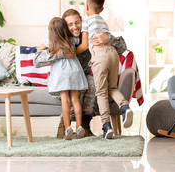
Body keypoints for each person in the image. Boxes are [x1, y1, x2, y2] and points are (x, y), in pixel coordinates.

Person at [34, 9, 127, 138]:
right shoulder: (61, 39)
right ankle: (66, 125)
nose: (75, 27)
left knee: (92, 83)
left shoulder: (92, 35)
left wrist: (108, 38)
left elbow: (122, 47)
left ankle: (83, 124)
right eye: (70, 24)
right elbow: (37, 60)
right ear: (64, 26)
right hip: (64, 77)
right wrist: (62, 53)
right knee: (77, 88)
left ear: (82, 22)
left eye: (77, 22)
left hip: (84, 76)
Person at [76, 0, 133, 139]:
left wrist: (72, 52)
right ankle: (124, 107)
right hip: (113, 54)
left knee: (101, 92)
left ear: (86, 6)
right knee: (112, 87)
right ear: (102, 9)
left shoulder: (86, 21)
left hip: (99, 55)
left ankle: (106, 126)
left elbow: (83, 45)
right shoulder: (102, 20)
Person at [37, 17, 88, 140]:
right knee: (75, 100)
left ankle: (67, 128)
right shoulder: (72, 39)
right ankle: (80, 127)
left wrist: (51, 48)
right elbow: (82, 43)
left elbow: (39, 49)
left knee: (65, 101)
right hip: (74, 71)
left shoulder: (51, 41)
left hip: (60, 74)